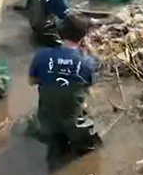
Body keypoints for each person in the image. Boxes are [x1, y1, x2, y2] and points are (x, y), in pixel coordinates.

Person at [28, 12, 100, 157]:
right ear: (83, 37)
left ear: (60, 32)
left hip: (47, 123)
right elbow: (90, 84)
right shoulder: (88, 62)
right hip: (74, 124)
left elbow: (31, 82)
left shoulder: (41, 55)